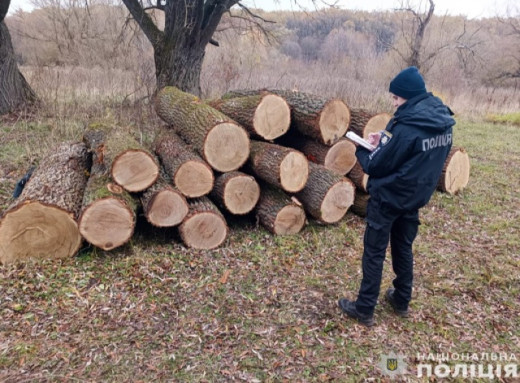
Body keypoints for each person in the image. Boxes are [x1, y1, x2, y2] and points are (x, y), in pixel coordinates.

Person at [338, 66, 455, 327]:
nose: (394, 103)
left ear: (409, 96)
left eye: (396, 98)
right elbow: (412, 153)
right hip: (415, 197)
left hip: (389, 197)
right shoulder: (443, 121)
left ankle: (364, 308)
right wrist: (385, 139)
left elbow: (375, 165)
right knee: (403, 246)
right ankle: (402, 299)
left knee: (374, 251)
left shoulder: (405, 125)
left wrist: (361, 149)